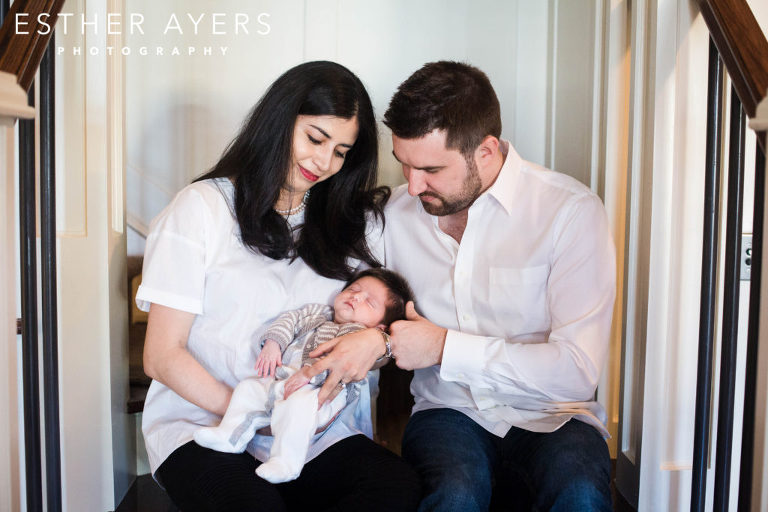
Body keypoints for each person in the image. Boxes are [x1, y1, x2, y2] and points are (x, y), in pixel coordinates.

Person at [298, 61, 616, 511]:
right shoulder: (395, 216)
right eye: (403, 165)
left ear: (486, 151)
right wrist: (375, 336)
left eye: (430, 169)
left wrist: (445, 348)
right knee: (454, 498)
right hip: (447, 412)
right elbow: (336, 292)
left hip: (556, 416)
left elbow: (576, 369)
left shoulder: (569, 212)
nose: (412, 184)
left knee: (580, 497)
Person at [136, 60, 420, 512]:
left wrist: (377, 342)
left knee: (396, 488)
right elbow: (161, 355)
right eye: (315, 138)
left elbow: (390, 320)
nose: (324, 163)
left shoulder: (356, 223)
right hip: (205, 424)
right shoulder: (201, 210)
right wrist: (253, 415)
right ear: (279, 119)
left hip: (315, 434)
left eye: (342, 151)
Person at [193, 268, 413, 484]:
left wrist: (310, 377)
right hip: (284, 380)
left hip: (322, 393)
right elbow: (290, 320)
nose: (356, 296)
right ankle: (231, 436)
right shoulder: (317, 314)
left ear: (380, 326)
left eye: (369, 302)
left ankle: (286, 462)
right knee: (248, 390)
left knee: (299, 406)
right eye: (354, 289)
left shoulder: (358, 336)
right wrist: (273, 343)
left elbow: (360, 363)